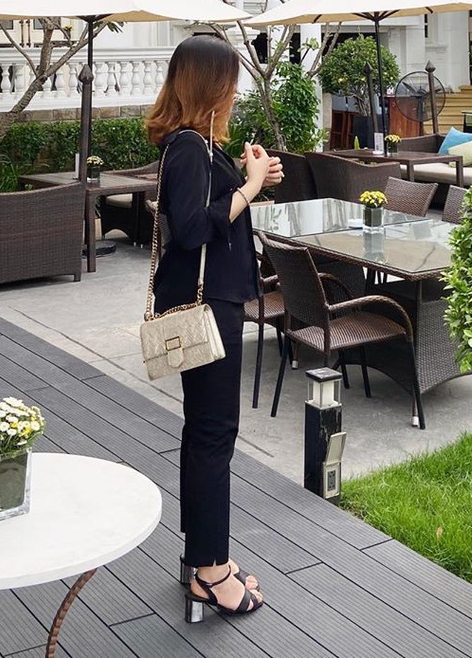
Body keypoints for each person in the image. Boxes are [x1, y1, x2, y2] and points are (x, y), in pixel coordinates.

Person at [145, 34, 282, 620]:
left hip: (209, 304)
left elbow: (202, 213)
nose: (234, 93)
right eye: (229, 83)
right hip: (208, 309)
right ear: (210, 86)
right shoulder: (188, 148)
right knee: (212, 434)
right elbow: (192, 228)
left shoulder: (197, 146)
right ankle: (211, 573)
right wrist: (248, 186)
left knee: (205, 432)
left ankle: (202, 557)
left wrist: (250, 178)